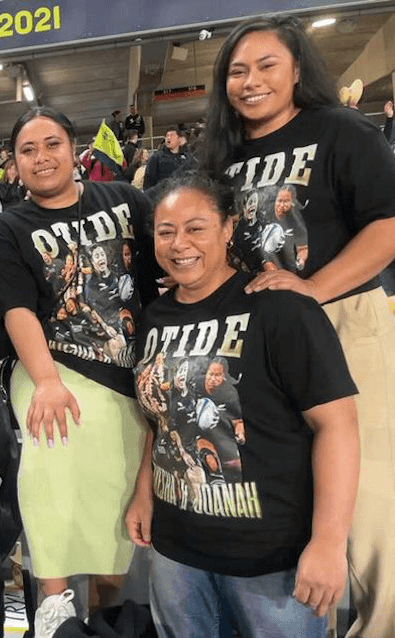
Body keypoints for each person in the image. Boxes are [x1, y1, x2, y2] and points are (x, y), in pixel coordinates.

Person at [199, 16, 395, 638]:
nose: (250, 81)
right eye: (236, 70)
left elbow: (387, 227)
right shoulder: (222, 157)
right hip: (259, 341)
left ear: (298, 70)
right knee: (292, 492)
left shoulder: (341, 130)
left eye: (265, 66)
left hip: (343, 320)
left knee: (370, 501)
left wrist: (312, 289)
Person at [127, 171, 360, 638]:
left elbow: (338, 426)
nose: (179, 244)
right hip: (177, 555)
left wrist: (329, 541)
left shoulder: (280, 307)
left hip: (271, 564)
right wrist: (144, 491)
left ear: (228, 228)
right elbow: (161, 418)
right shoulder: (153, 318)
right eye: (166, 231)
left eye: (196, 227)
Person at [0, 106, 158, 638]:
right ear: (13, 165)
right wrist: (48, 380)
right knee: (53, 440)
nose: (41, 158)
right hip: (52, 364)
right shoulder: (6, 229)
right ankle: (54, 602)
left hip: (130, 365)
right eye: (27, 151)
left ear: (73, 149)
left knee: (118, 486)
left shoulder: (126, 200)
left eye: (52, 144)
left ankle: (108, 610)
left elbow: (160, 272)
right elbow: (18, 311)